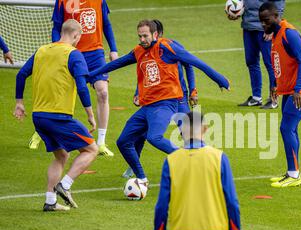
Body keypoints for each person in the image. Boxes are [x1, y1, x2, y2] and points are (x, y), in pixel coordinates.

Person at [89, 19, 229, 186]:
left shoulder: (167, 47)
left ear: (155, 34)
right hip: (148, 105)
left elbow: (193, 62)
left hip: (168, 102)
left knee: (160, 136)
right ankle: (141, 177)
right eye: (139, 36)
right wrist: (91, 75)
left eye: (145, 36)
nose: (142, 39)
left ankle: (194, 162)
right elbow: (118, 63)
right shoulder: (138, 51)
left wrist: (218, 79)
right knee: (123, 141)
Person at [14, 19, 98, 212]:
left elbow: (20, 75)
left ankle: (50, 201)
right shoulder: (74, 55)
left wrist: (19, 103)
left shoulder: (42, 50)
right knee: (91, 149)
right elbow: (82, 87)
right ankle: (65, 185)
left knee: (61, 155)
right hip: (58, 117)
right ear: (76, 35)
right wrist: (90, 114)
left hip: (39, 117)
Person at [29, 0, 118, 156]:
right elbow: (56, 27)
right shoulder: (62, 1)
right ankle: (40, 132)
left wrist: (114, 49)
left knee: (103, 92)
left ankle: (101, 142)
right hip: (70, 52)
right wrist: (59, 48)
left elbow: (107, 24)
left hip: (95, 53)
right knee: (58, 92)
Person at [153, 111, 242, 230]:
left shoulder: (171, 160)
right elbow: (232, 202)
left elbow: (161, 206)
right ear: (205, 129)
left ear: (181, 132)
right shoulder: (219, 157)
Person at [122, 19, 197, 179]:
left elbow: (189, 66)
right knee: (141, 131)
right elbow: (145, 74)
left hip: (179, 96)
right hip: (156, 97)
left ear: (158, 34)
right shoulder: (147, 50)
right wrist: (138, 92)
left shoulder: (171, 47)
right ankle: (133, 166)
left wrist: (193, 90)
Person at [259, 3, 301, 188]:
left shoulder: (289, 33)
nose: (263, 25)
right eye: (261, 21)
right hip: (289, 89)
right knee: (290, 128)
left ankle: (294, 174)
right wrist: (276, 85)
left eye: (266, 20)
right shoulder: (275, 34)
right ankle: (293, 172)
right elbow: (280, 62)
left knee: (286, 128)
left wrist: (298, 89)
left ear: (277, 16)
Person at [229, 0, 285, 109]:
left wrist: (274, 27)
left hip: (265, 28)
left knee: (270, 64)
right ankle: (256, 98)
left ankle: (273, 99)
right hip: (248, 27)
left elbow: (279, 5)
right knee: (251, 62)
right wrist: (236, 12)